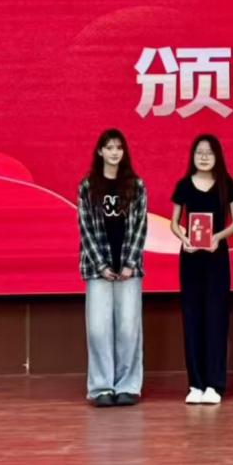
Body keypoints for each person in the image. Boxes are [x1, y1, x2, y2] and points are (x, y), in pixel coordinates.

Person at [77, 129, 147, 407]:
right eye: (109, 147)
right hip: (98, 268)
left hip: (129, 269)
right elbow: (85, 228)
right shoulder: (87, 186)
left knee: (128, 329)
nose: (114, 152)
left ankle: (128, 386)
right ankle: (101, 387)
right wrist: (101, 265)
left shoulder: (136, 185)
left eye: (119, 147)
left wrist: (130, 262)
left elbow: (141, 226)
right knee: (98, 329)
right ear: (100, 152)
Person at [169, 134, 233, 405]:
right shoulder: (184, 185)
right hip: (190, 258)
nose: (203, 157)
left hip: (216, 258)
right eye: (199, 152)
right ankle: (195, 384)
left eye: (209, 153)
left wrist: (217, 237)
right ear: (193, 156)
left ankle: (214, 384)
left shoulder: (226, 184)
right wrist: (184, 238)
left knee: (216, 318)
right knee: (192, 317)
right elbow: (175, 222)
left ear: (217, 156)